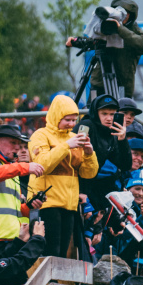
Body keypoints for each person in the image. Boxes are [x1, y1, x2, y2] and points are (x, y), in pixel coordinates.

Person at [28, 95, 99, 259]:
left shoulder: (72, 137)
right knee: (50, 251)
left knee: (62, 253)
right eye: (67, 119)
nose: (72, 124)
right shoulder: (40, 135)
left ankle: (58, 284)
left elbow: (88, 173)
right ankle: (48, 284)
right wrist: (66, 146)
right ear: (56, 116)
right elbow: (42, 165)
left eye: (74, 120)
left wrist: (89, 153)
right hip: (47, 202)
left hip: (69, 205)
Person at [0, 125, 46, 251]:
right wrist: (23, 167)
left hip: (9, 239)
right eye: (13, 142)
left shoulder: (9, 167)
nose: (17, 148)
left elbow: (14, 210)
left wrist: (29, 206)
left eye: (19, 144)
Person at [87, 0, 143, 98]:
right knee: (93, 110)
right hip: (100, 83)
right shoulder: (106, 25)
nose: (123, 16)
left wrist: (120, 29)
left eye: (126, 14)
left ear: (132, 16)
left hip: (122, 86)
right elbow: (92, 41)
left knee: (119, 113)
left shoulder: (133, 30)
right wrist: (76, 41)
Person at [77, 94, 131, 211]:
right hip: (75, 187)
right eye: (104, 114)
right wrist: (81, 191)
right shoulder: (86, 125)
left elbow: (125, 165)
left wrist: (123, 140)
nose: (109, 118)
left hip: (90, 187)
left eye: (112, 114)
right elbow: (74, 160)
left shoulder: (110, 134)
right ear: (96, 114)